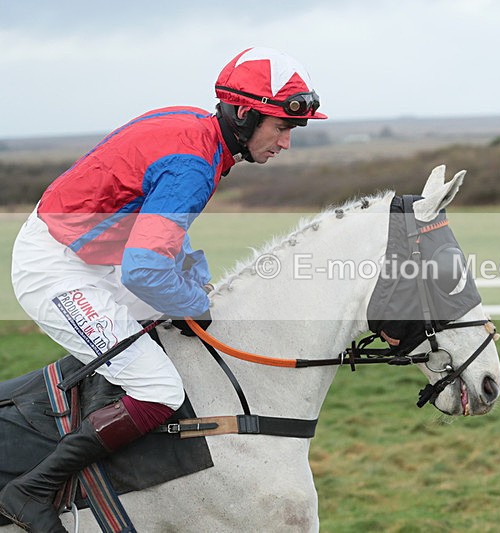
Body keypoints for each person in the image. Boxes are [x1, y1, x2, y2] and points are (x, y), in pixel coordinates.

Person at [0, 47, 326, 532]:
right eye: (281, 127)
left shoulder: (200, 131)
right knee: (159, 387)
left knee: (172, 335)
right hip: (57, 268)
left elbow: (166, 230)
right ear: (243, 114)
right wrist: (197, 303)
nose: (285, 143)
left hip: (97, 258)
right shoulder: (196, 160)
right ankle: (29, 491)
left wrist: (195, 285)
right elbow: (146, 271)